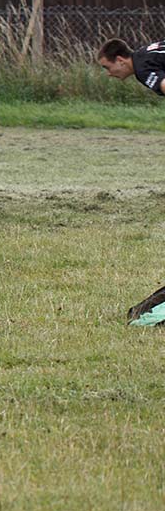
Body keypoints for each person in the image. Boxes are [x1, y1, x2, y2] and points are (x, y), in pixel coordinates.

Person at [97, 37, 165, 326]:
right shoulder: (148, 50)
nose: (108, 74)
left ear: (121, 60)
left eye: (107, 67)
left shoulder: (142, 67)